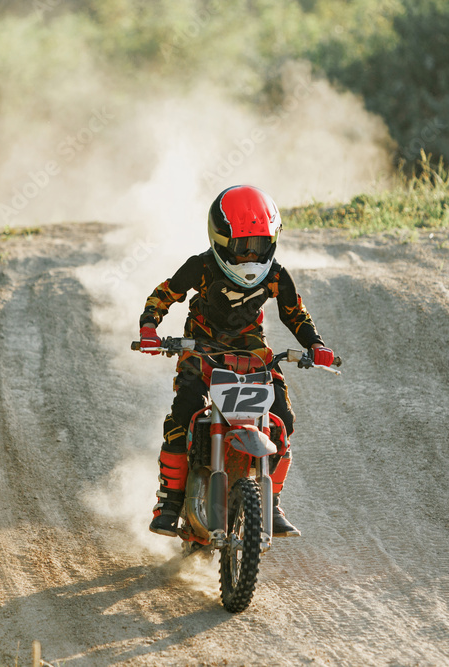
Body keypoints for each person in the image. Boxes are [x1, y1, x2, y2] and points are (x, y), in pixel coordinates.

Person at [138, 184, 335, 538]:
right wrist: (150, 327)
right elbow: (164, 294)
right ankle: (168, 502)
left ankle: (270, 501)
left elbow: (295, 314)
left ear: (272, 241)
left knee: (283, 421)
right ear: (220, 238)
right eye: (242, 247)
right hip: (200, 347)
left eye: (258, 246)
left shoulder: (276, 274)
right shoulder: (201, 266)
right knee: (183, 413)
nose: (249, 256)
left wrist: (316, 344)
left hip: (252, 350)